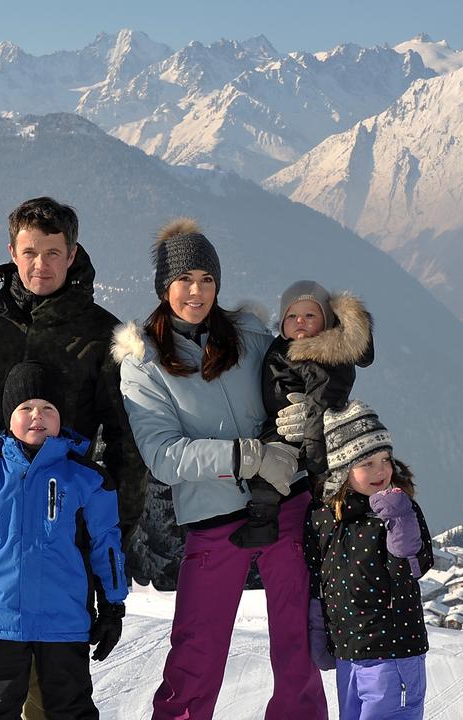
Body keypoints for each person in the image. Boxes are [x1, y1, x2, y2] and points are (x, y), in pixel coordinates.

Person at [0, 197, 146, 720]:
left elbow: (127, 442)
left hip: (62, 520)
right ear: (12, 252)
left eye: (53, 252)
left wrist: (112, 529)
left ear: (73, 253)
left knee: (49, 673)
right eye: (30, 251)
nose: (41, 264)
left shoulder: (101, 335)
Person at [113, 218, 327, 719]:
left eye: (207, 279)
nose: (196, 291)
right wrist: (247, 455)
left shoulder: (250, 334)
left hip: (284, 503)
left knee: (297, 644)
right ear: (164, 287)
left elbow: (312, 364)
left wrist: (312, 409)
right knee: (197, 652)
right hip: (215, 521)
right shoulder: (143, 362)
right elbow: (164, 456)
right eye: (185, 280)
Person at [0, 362, 127, 720]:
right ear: (9, 419)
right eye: (25, 408)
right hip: (1, 620)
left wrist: (112, 606)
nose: (36, 415)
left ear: (62, 419)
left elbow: (108, 544)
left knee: (71, 709)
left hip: (65, 622)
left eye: (48, 408)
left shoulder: (87, 478)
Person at [305, 400, 433, 720]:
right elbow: (317, 579)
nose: (381, 470)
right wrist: (319, 629)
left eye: (385, 459)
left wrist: (400, 522)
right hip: (348, 652)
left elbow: (412, 567)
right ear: (343, 470)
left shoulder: (398, 509)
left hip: (393, 651)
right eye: (367, 463)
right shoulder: (323, 517)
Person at [235, 280, 374, 548]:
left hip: (307, 435)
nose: (300, 321)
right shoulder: (287, 347)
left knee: (270, 470)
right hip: (284, 421)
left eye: (310, 315)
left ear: (326, 321)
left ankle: (264, 525)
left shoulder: (321, 356)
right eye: (292, 316)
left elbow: (319, 407)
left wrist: (316, 460)